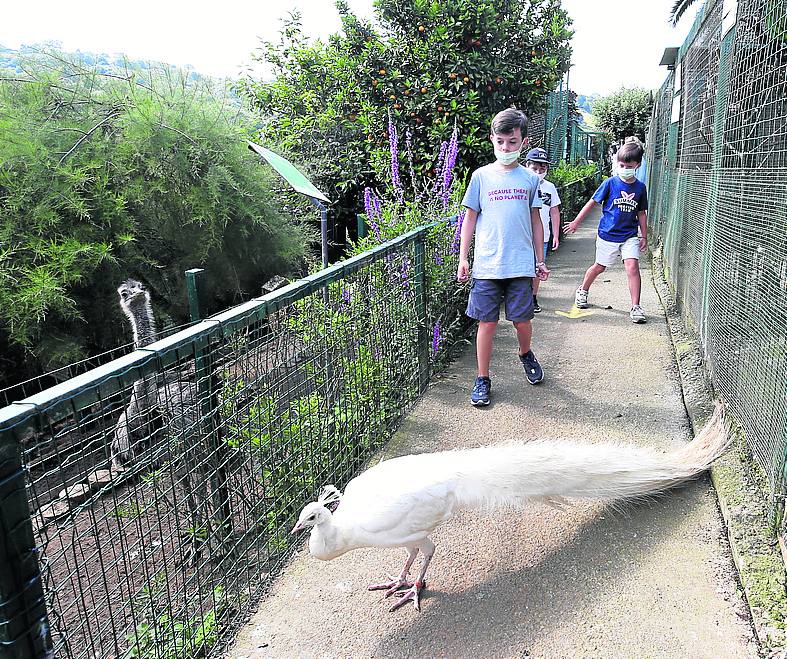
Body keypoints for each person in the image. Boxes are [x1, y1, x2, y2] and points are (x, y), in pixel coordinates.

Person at [457, 108, 549, 406]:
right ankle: (482, 377)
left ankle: (525, 353)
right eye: (500, 141)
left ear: (523, 142)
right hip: (487, 265)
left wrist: (539, 259)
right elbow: (469, 218)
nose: (506, 148)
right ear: (491, 140)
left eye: (512, 142)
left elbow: (536, 221)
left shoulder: (530, 180)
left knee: (522, 321)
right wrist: (463, 257)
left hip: (521, 265)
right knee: (487, 323)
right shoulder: (481, 177)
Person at [563, 139, 649, 323]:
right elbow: (592, 202)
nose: (624, 168)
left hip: (629, 235)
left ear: (638, 165)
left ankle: (636, 306)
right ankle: (583, 290)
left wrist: (644, 236)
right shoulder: (610, 183)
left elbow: (641, 213)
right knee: (599, 267)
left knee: (632, 267)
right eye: (621, 164)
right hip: (608, 234)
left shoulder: (640, 188)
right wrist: (577, 222)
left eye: (629, 165)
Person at [524, 147, 561, 313]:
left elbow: (554, 210)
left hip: (543, 236)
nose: (538, 172)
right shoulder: (521, 184)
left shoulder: (550, 187)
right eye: (535, 168)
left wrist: (556, 234)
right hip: (523, 236)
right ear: (527, 165)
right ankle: (520, 298)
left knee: (539, 267)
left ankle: (533, 297)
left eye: (542, 168)